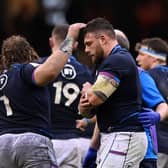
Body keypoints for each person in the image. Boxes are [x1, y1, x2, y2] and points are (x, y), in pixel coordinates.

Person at [0, 23, 85, 168]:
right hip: (31, 141)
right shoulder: (26, 69)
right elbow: (50, 72)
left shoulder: (2, 78)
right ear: (28, 52)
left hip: (3, 145)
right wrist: (70, 37)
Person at [82, 29, 168, 168]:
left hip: (141, 152)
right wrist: (93, 147)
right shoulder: (107, 76)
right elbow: (104, 115)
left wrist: (157, 116)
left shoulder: (138, 75)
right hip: (113, 144)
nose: (87, 50)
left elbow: (162, 105)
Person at [78, 17, 148, 168]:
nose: (86, 50)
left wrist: (89, 91)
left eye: (89, 44)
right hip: (117, 137)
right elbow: (87, 111)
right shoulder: (107, 63)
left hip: (123, 136)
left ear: (102, 39)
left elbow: (95, 98)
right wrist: (87, 101)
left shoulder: (117, 60)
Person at [46, 24, 94, 168]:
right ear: (75, 45)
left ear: (51, 42)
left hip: (47, 140)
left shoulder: (38, 67)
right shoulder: (86, 71)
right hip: (77, 141)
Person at [136, 37, 168, 168]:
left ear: (154, 57)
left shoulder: (145, 76)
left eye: (142, 54)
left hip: (156, 147)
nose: (137, 59)